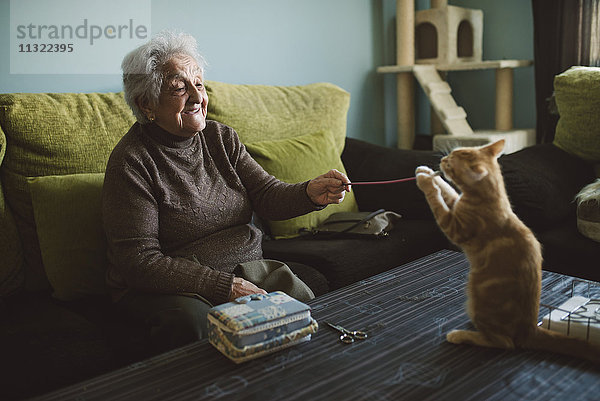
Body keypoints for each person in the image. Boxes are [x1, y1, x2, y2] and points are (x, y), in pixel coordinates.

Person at [102, 31, 350, 352]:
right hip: (171, 287)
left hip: (245, 270)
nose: (196, 96)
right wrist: (225, 287)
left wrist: (308, 193)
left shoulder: (221, 138)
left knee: (303, 309)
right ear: (146, 104)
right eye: (179, 87)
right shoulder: (131, 162)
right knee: (204, 329)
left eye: (199, 84)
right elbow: (139, 262)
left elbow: (266, 194)